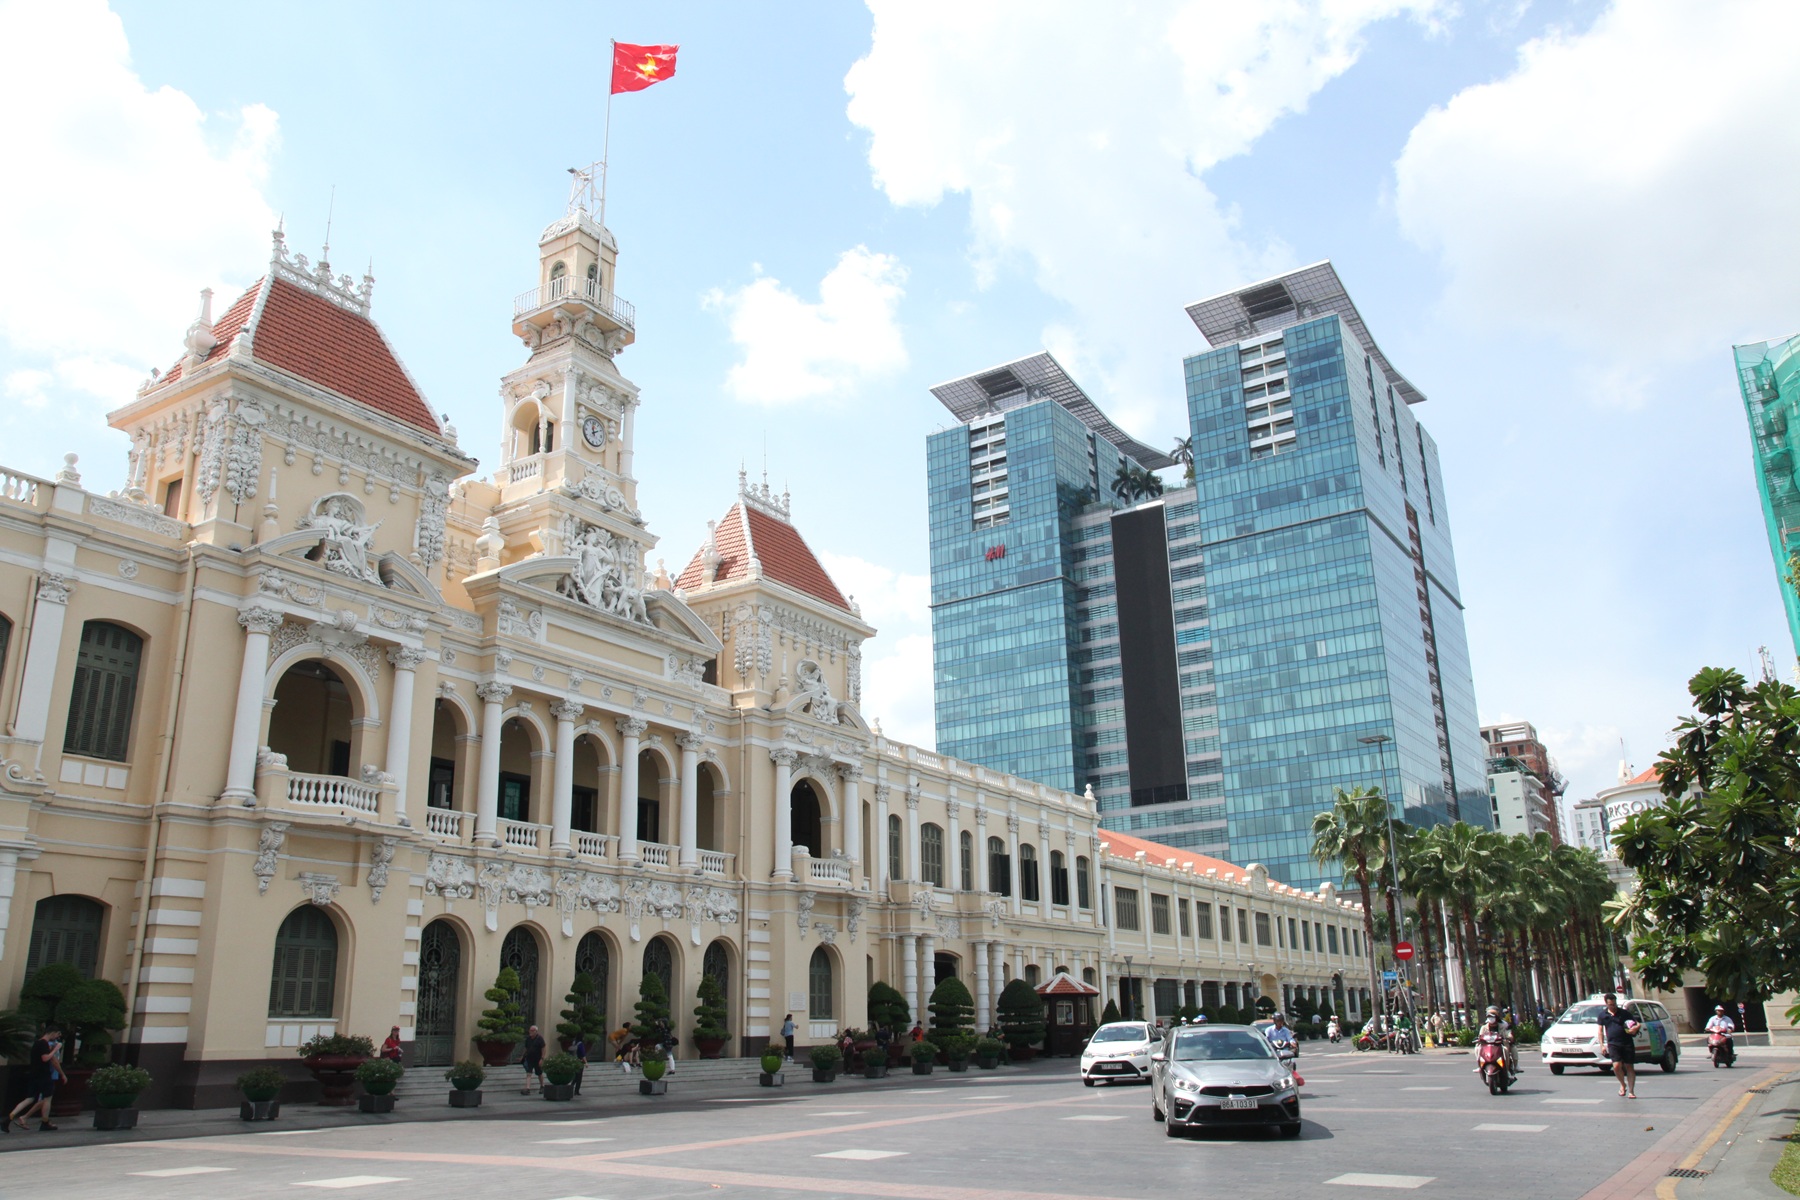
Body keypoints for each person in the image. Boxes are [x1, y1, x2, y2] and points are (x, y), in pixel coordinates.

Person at [4, 1024, 62, 1132]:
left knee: (29, 1098)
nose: (57, 1037)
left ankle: (9, 1117)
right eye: (57, 1034)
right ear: (53, 1033)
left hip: (34, 1075)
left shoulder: (37, 1043)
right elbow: (45, 1058)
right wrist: (55, 1050)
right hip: (43, 1075)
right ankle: (45, 1122)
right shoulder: (44, 1043)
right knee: (47, 1098)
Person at [1596, 993, 1639, 1099]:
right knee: (1616, 1066)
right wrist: (1602, 1045)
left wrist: (1635, 1028)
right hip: (1613, 1044)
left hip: (1627, 1043)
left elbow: (1637, 1023)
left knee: (1629, 1067)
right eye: (1611, 1005)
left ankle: (1631, 1091)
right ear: (1606, 1004)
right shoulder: (1603, 1015)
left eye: (1615, 1004)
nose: (1613, 1006)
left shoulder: (1624, 1013)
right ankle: (1622, 1084)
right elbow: (1600, 1031)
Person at [520, 1023, 547, 1095]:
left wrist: (542, 1058)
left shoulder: (540, 1039)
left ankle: (542, 1086)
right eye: (530, 1030)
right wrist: (522, 1056)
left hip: (537, 1059)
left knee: (539, 1073)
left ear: (536, 1031)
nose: (530, 1032)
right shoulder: (528, 1039)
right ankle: (527, 1088)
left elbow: (543, 1048)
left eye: (532, 1030)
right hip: (529, 1058)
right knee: (529, 1073)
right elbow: (526, 1048)